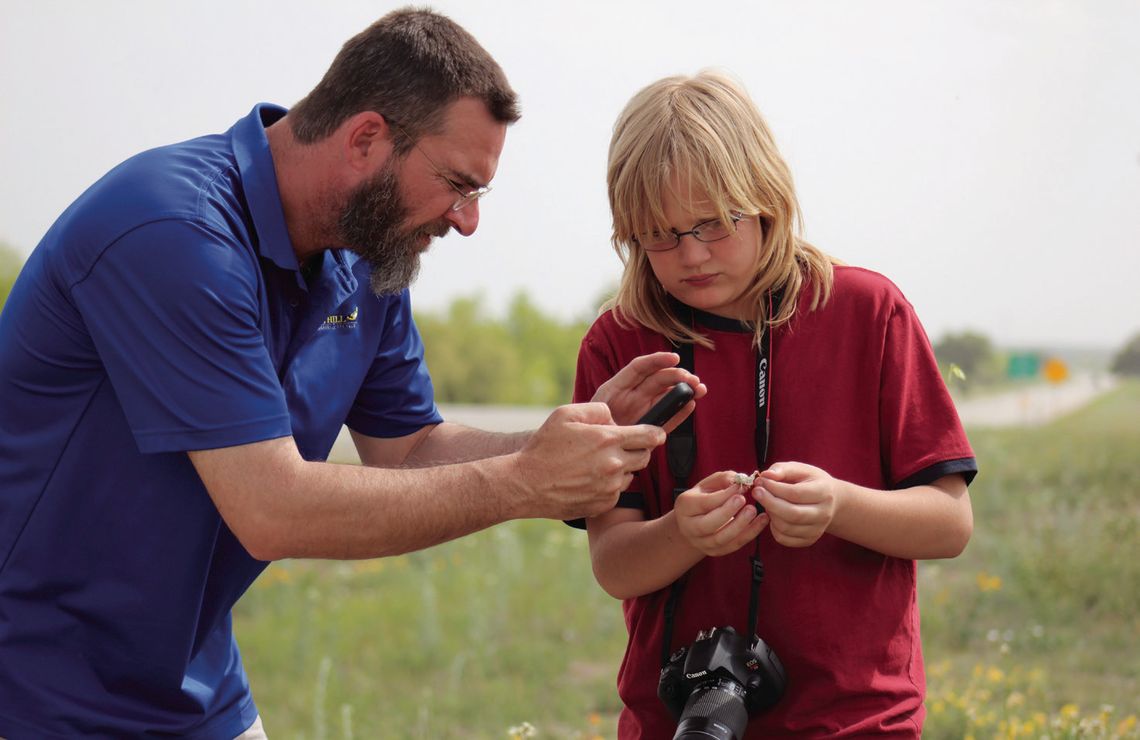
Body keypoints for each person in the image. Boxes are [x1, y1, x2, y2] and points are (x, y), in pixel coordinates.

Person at [0, 9, 703, 738]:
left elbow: (409, 448)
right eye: (457, 185)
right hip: (34, 691)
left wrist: (561, 441)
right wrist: (527, 483)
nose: (467, 223)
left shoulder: (365, 263)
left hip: (197, 692)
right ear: (366, 137)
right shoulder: (172, 233)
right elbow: (272, 506)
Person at [573, 71, 977, 738]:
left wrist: (839, 506)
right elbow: (614, 564)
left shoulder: (867, 312)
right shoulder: (620, 344)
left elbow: (949, 523)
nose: (692, 254)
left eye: (713, 223)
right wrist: (682, 533)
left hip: (856, 719)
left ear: (765, 198)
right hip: (676, 718)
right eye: (660, 234)